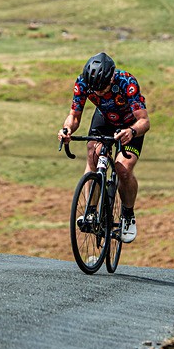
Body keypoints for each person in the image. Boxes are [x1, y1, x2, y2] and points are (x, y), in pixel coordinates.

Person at [58, 52, 150, 244]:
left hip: (130, 124)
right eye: (95, 89)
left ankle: (128, 214)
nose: (98, 93)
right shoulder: (83, 83)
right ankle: (91, 212)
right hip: (105, 119)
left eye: (103, 88)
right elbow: (74, 116)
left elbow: (144, 121)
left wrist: (132, 132)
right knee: (93, 155)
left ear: (111, 77)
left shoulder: (127, 82)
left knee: (123, 170)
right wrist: (66, 129)